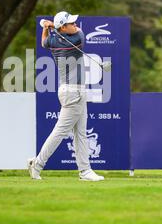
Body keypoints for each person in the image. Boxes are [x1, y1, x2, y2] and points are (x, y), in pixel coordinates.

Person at [27, 11, 105, 181]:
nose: (75, 25)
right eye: (71, 23)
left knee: (81, 133)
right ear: (63, 27)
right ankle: (37, 164)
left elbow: (43, 42)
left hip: (71, 90)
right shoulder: (76, 39)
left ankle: (85, 171)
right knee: (60, 132)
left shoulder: (53, 41)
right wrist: (49, 26)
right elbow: (79, 33)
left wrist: (46, 28)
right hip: (73, 92)